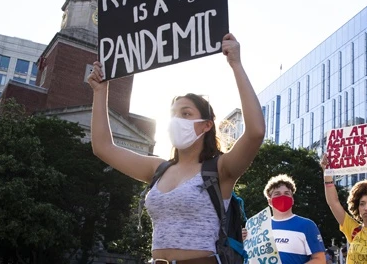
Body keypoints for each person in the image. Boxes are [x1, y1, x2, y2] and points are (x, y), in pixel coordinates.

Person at [87, 33, 265, 264]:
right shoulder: (158, 168)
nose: (176, 120)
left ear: (206, 125)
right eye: (173, 114)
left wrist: (236, 65)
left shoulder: (220, 170)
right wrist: (100, 92)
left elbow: (256, 132)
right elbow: (103, 147)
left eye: (186, 114)